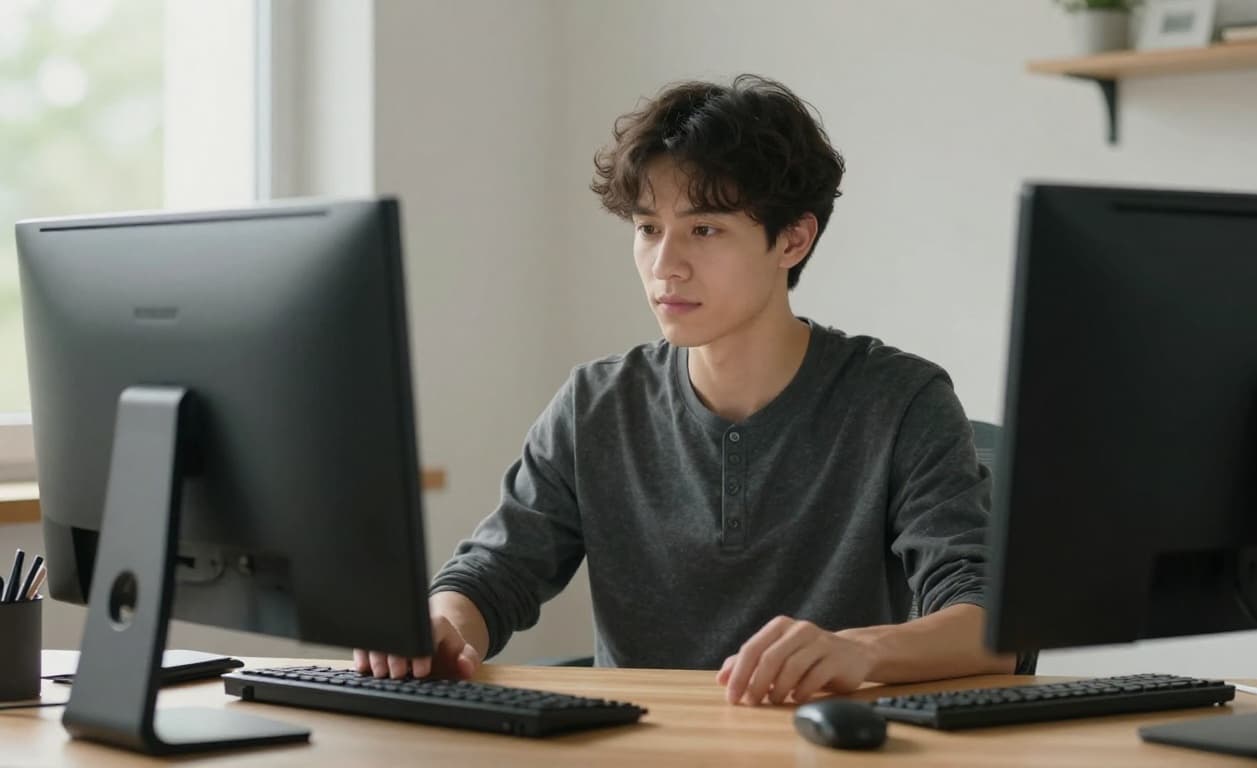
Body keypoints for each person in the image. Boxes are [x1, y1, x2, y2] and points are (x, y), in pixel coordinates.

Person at [355, 74, 1015, 705]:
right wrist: (442, 628)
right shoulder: (595, 404)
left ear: (792, 238)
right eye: (648, 229)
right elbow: (489, 579)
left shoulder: (900, 400)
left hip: (821, 748)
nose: (664, 266)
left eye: (704, 230)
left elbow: (988, 628)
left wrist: (858, 652)